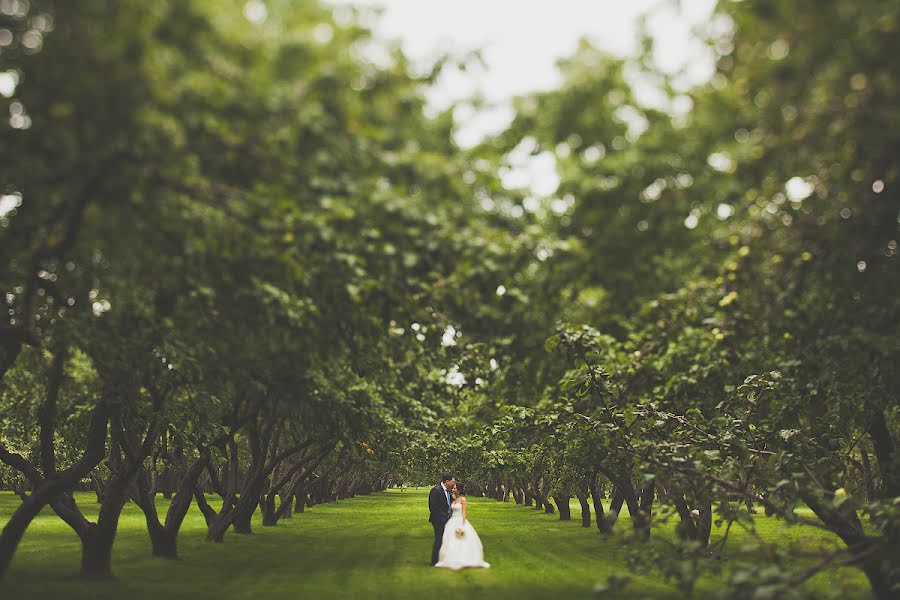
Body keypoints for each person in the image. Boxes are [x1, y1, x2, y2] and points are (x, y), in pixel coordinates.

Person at [434, 483, 490, 570]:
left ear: (459, 490)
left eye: (454, 488)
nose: (452, 489)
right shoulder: (453, 499)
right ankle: (451, 557)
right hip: (452, 521)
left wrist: (462, 524)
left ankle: (464, 558)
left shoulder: (463, 499)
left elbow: (464, 512)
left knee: (461, 539)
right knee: (450, 539)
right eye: (452, 488)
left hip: (459, 520)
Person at [428, 474, 455, 565]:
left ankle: (444, 559)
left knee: (446, 540)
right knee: (439, 540)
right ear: (447, 481)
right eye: (453, 481)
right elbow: (433, 507)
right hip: (439, 520)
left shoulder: (448, 491)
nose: (453, 483)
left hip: (448, 520)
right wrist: (442, 518)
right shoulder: (436, 490)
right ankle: (435, 561)